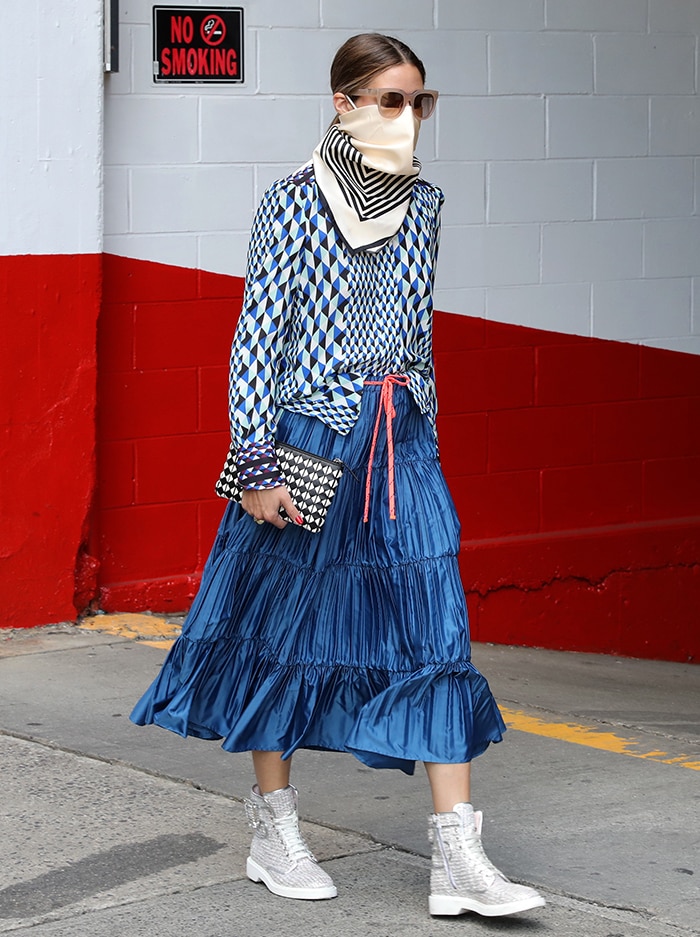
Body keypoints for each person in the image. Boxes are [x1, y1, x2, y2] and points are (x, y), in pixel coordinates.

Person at [131, 33, 545, 919]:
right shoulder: (290, 204)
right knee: (281, 631)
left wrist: (421, 417)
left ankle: (457, 854)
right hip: (308, 443)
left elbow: (417, 328)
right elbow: (256, 340)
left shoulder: (426, 203)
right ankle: (272, 826)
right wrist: (251, 465)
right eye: (391, 100)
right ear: (344, 104)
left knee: (439, 631)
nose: (407, 118)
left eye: (419, 102)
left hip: (402, 442)